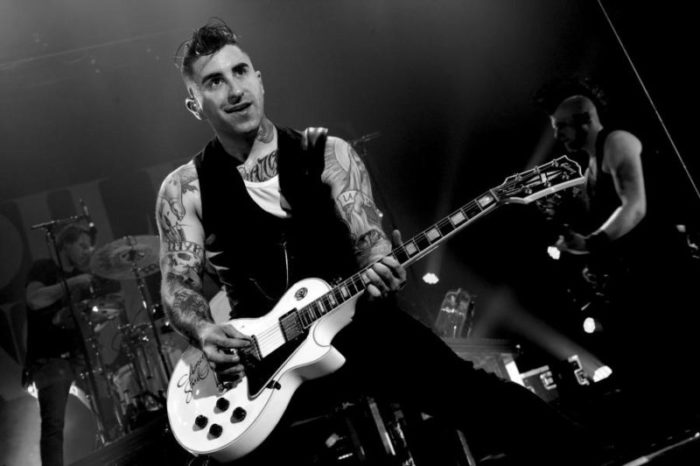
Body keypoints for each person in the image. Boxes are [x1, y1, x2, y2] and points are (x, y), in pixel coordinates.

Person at [157, 20, 599, 465]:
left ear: (259, 79)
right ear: (195, 104)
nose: (235, 89)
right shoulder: (184, 189)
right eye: (215, 81)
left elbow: (369, 238)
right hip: (260, 359)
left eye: (241, 71)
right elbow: (178, 282)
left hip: (360, 322)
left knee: (475, 395)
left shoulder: (329, 153)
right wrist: (204, 330)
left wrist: (381, 264)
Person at [535, 77, 700, 450]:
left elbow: (634, 206)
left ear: (585, 120)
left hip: (665, 272)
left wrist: (592, 242)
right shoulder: (592, 166)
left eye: (561, 126)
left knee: (686, 358)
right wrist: (577, 246)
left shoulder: (616, 142)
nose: (557, 135)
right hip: (640, 282)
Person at [24, 224, 96, 466]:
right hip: (50, 361)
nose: (87, 251)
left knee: (100, 414)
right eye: (82, 246)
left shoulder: (79, 277)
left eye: (89, 247)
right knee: (54, 426)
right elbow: (34, 300)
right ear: (66, 245)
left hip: (76, 357)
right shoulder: (44, 268)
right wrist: (73, 282)